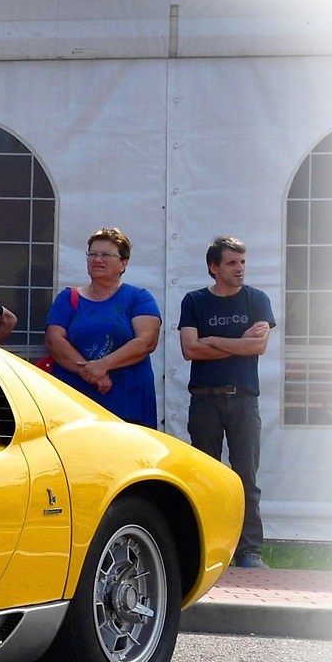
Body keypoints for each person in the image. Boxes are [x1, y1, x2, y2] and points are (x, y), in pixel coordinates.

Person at [178, 234, 275, 567]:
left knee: (246, 476)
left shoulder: (257, 300)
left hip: (244, 401)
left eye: (243, 262)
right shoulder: (194, 301)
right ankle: (208, 549)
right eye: (232, 263)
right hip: (204, 401)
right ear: (214, 267)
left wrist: (213, 341)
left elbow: (257, 347)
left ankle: (250, 551)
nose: (240, 269)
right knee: (206, 477)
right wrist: (237, 340)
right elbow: (190, 349)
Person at [45, 227, 162, 428]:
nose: (97, 260)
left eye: (106, 255)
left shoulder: (139, 298)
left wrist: (103, 365)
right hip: (76, 403)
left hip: (127, 402)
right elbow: (54, 340)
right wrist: (89, 372)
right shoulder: (68, 298)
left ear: (124, 263)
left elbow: (146, 342)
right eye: (93, 254)